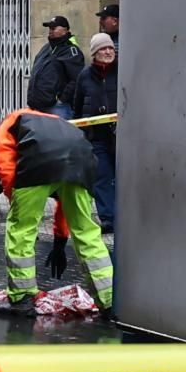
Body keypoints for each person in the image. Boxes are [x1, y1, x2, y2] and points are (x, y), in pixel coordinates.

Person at [0, 106, 115, 317]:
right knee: (86, 231)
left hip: (39, 161)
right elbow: (67, 206)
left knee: (22, 230)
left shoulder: (10, 122)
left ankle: (22, 297)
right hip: (81, 161)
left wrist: (18, 202)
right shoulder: (58, 124)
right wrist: (59, 240)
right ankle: (110, 299)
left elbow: (3, 166)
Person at [74, 32, 117, 231]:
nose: (108, 52)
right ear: (94, 53)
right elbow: (77, 105)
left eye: (110, 48)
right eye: (103, 49)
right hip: (97, 136)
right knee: (102, 176)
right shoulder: (85, 76)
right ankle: (109, 219)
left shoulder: (121, 71)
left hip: (121, 135)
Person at [27, 15, 84, 117]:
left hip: (57, 107)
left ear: (65, 30)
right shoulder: (46, 48)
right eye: (49, 28)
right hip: (38, 106)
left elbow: (77, 78)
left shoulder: (71, 50)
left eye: (54, 28)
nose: (50, 31)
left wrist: (61, 99)